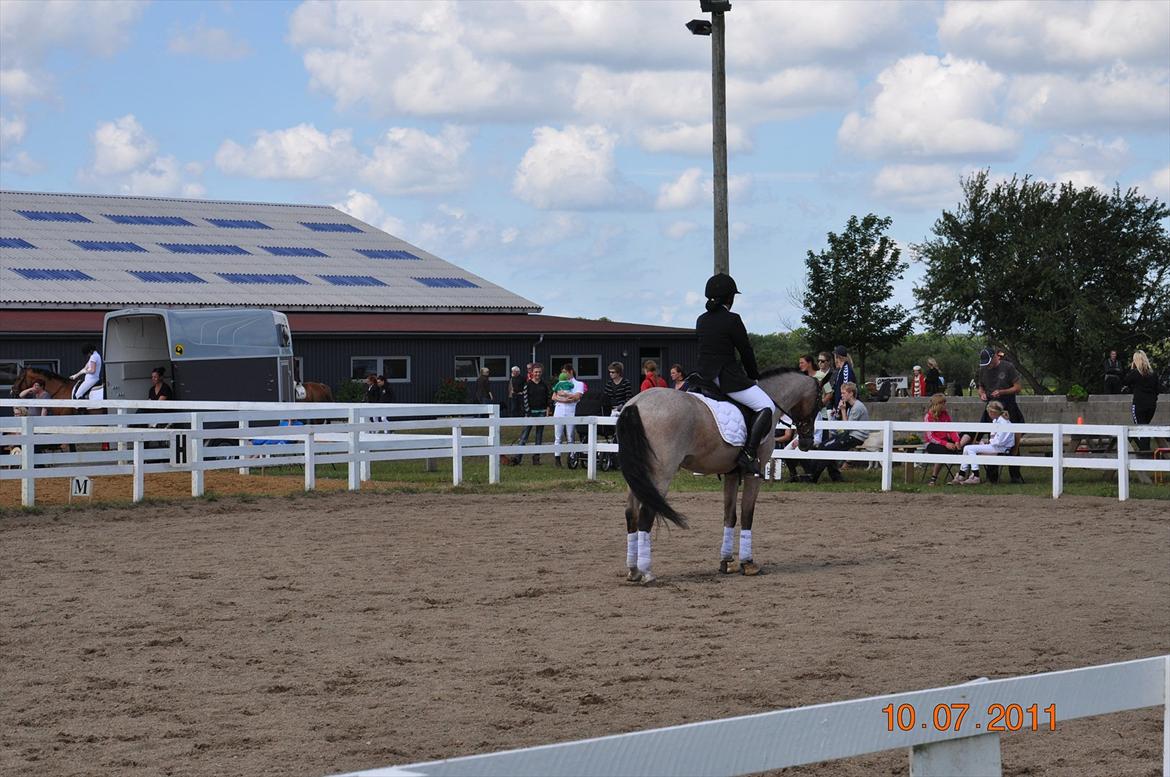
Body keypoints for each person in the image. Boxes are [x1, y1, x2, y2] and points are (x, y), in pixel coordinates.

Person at [696, 273, 775, 478]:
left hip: (704, 377)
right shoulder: (732, 319)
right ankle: (748, 454)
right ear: (729, 298)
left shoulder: (701, 320)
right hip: (726, 376)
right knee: (766, 406)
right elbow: (745, 350)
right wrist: (753, 376)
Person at [976, 348, 1026, 484]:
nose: (988, 366)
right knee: (992, 440)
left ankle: (1015, 475)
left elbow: (1017, 387)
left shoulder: (1008, 367)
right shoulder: (983, 370)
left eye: (989, 363)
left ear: (995, 357)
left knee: (1014, 442)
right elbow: (980, 386)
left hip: (1008, 405)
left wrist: (1003, 392)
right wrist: (982, 394)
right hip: (991, 407)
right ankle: (992, 476)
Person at [808, 381, 868, 483]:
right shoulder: (852, 407)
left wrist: (843, 410)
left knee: (827, 448)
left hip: (855, 436)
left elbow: (847, 427)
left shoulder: (857, 407)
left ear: (851, 393)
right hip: (849, 435)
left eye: (844, 393)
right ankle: (835, 477)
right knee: (824, 446)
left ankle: (813, 477)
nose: (841, 395)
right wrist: (837, 414)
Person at [952, 401, 1014, 485]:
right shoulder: (997, 421)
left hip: (1001, 448)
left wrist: (988, 442)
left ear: (992, 412)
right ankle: (962, 474)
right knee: (967, 448)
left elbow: (1000, 441)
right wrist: (987, 443)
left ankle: (975, 476)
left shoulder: (1003, 423)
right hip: (996, 446)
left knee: (969, 449)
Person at [512, 364, 551, 465]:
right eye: (536, 372)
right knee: (524, 435)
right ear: (532, 373)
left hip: (541, 412)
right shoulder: (528, 384)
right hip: (530, 413)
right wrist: (527, 411)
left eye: (539, 372)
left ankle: (536, 458)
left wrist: (548, 409)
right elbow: (525, 399)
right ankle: (518, 458)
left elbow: (548, 398)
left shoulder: (544, 385)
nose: (537, 374)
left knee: (539, 436)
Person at [1122, 350, 1159, 452]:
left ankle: (1144, 452)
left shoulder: (1135, 373)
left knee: (1140, 428)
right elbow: (1157, 390)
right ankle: (1145, 449)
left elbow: (1125, 381)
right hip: (1151, 405)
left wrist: (1132, 368)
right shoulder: (1153, 374)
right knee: (1144, 427)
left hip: (1139, 405)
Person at [923, 393, 961, 486]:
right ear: (938, 404)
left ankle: (961, 475)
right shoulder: (928, 417)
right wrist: (945, 443)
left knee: (963, 449)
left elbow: (951, 430)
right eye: (943, 403)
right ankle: (933, 478)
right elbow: (930, 437)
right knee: (942, 451)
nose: (945, 405)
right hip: (932, 443)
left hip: (945, 441)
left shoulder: (945, 414)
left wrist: (957, 440)